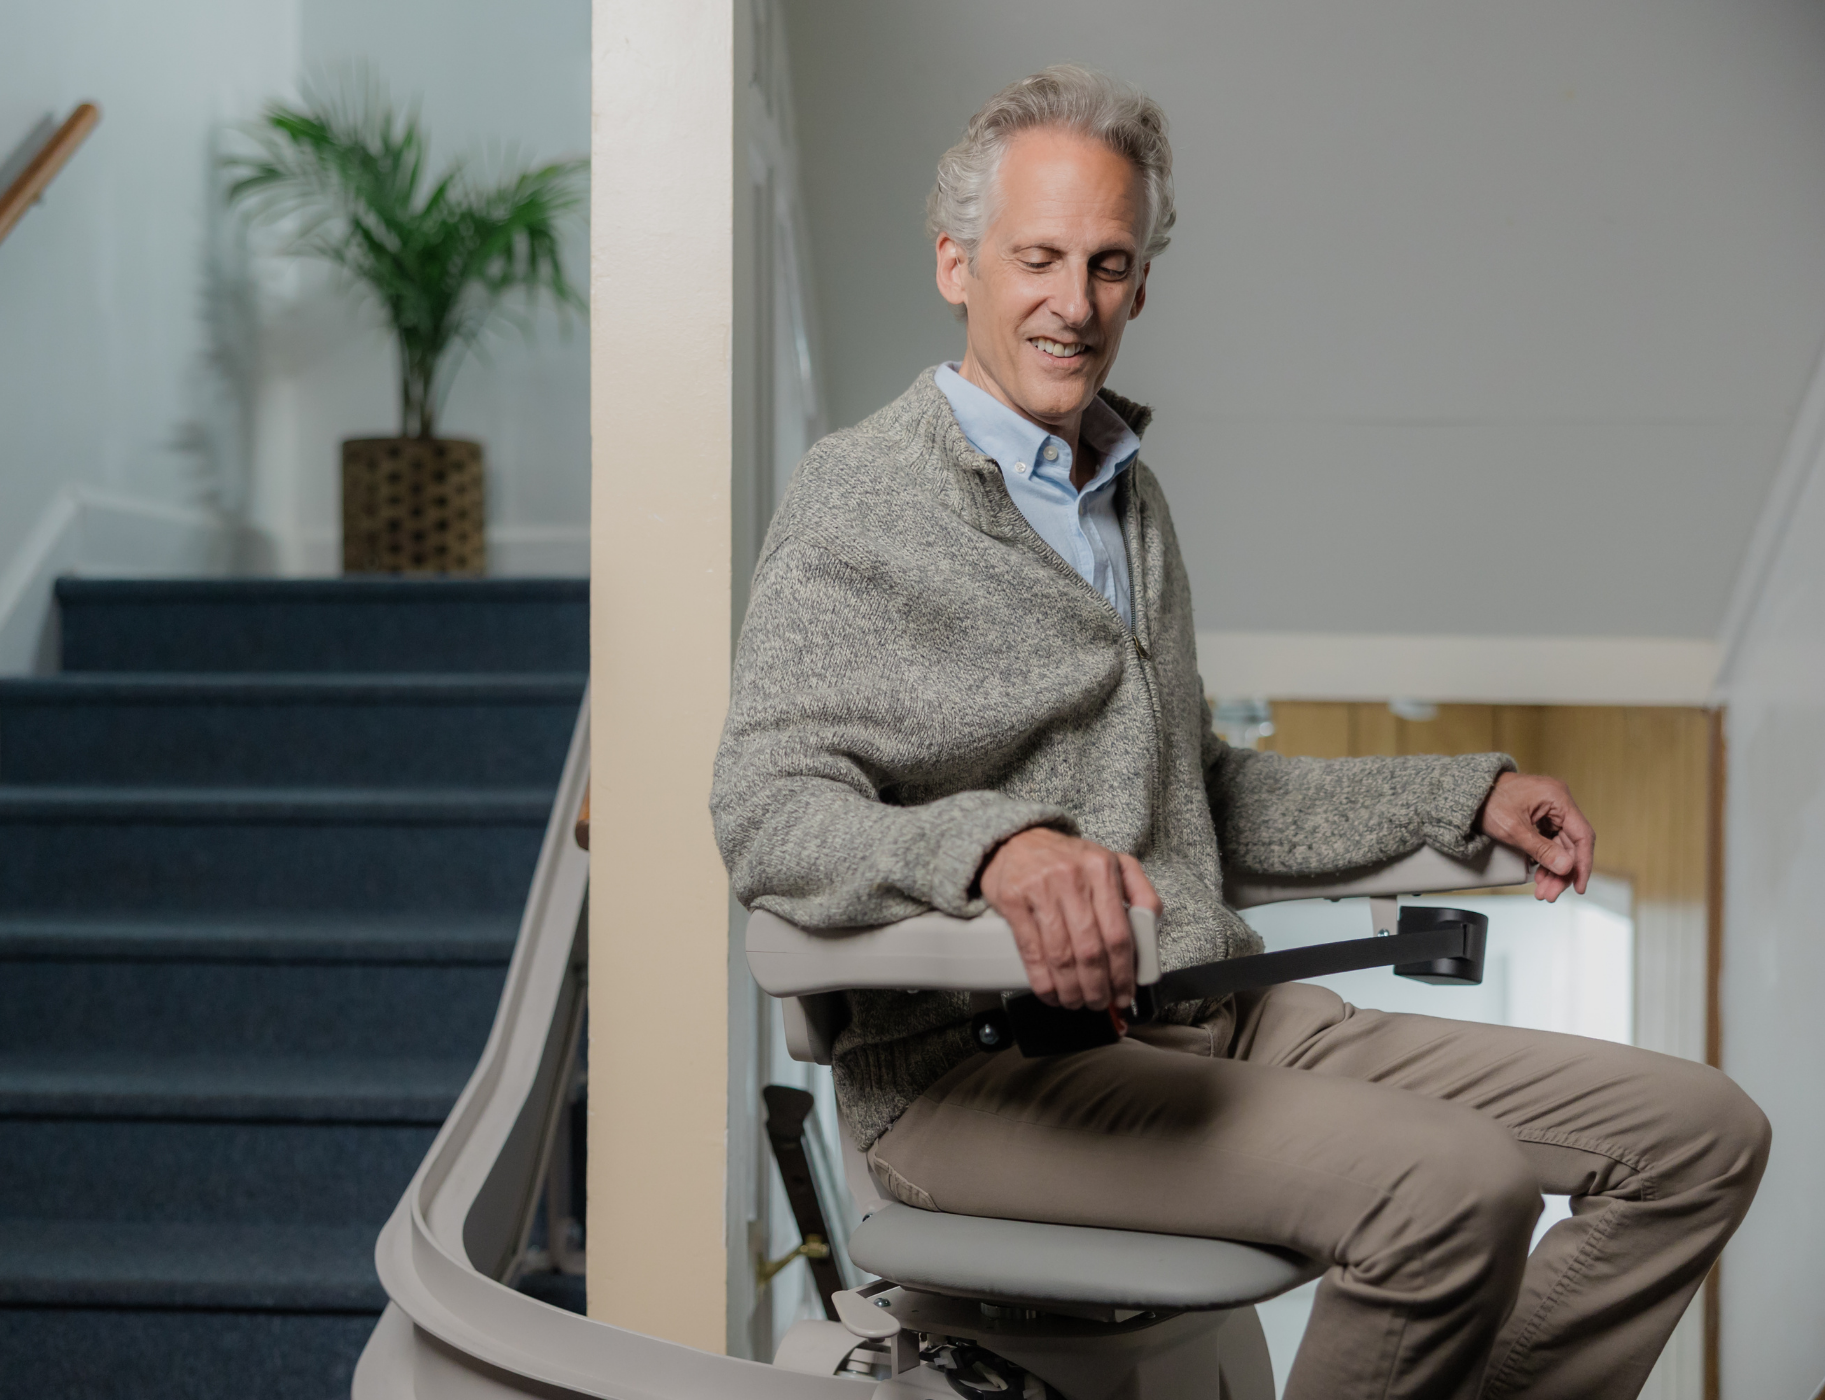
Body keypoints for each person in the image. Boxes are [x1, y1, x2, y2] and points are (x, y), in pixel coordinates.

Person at [709, 64, 1766, 1400]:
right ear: (954, 263)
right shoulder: (861, 500)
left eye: (1109, 264)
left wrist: (1462, 797)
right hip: (980, 1084)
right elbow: (766, 807)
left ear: (1142, 282)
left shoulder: (1123, 503)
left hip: (1211, 1020)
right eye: (1037, 258)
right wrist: (996, 854)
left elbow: (1196, 799)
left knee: (1698, 1137)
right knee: (1453, 1192)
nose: (1073, 303)